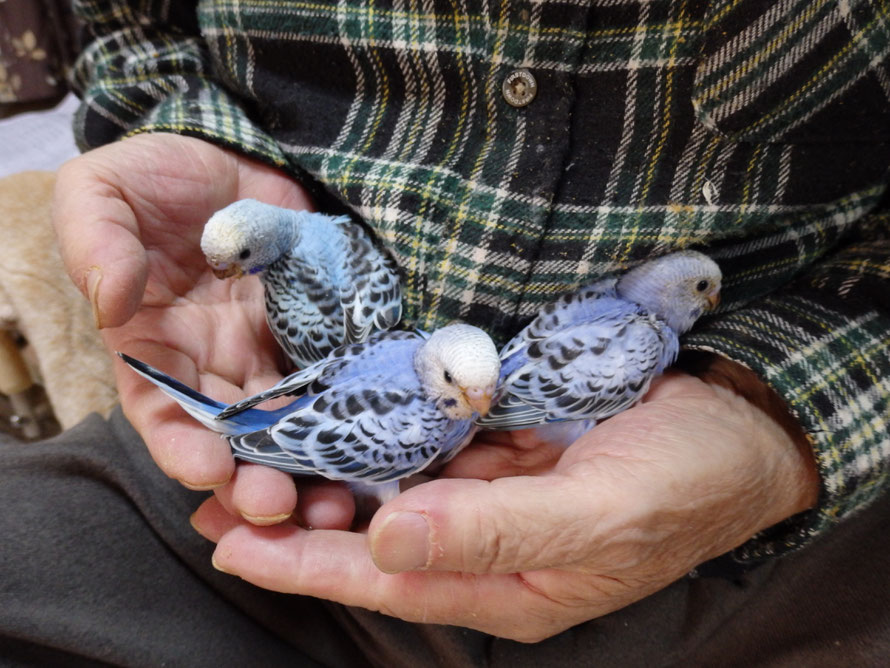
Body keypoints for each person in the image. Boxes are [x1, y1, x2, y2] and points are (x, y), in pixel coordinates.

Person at [2, 0, 889, 664]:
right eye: (465, 395)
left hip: (772, 513)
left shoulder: (481, 387)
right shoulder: (425, 401)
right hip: (238, 456)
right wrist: (174, 122)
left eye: (476, 394)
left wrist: (777, 411)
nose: (483, 399)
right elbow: (124, 27)